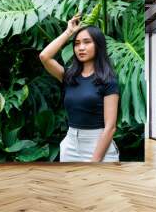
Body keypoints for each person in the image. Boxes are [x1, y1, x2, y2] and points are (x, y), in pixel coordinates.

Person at [38, 14, 120, 162]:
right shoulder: (69, 76)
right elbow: (44, 56)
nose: (81, 47)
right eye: (76, 43)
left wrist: (95, 160)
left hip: (98, 145)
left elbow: (110, 127)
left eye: (87, 42)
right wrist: (69, 32)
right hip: (71, 146)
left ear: (98, 45)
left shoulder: (108, 80)